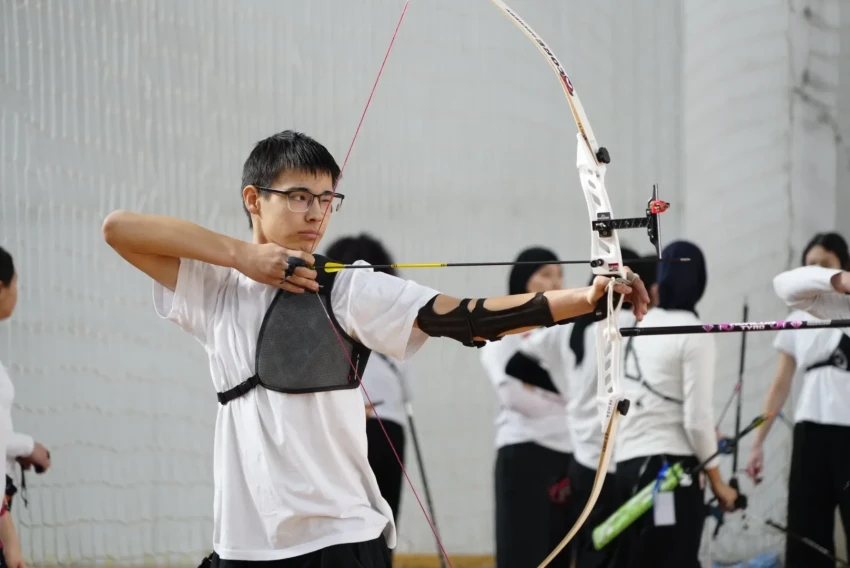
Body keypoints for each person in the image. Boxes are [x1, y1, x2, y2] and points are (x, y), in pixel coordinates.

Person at [101, 129, 650, 568]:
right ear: (254, 198)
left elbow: (465, 319)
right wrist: (240, 257)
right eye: (298, 197)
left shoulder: (349, 286)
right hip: (243, 545)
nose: (317, 214)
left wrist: (587, 297)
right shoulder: (214, 288)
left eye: (327, 198)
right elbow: (119, 228)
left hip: (340, 541)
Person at [609, 241, 739, 568]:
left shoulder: (639, 323)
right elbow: (696, 420)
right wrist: (719, 484)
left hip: (626, 467)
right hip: (668, 473)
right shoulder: (695, 333)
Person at [746, 232, 850, 568]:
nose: (816, 271)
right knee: (807, 530)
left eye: (825, 265)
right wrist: (758, 442)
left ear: (842, 265)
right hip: (811, 431)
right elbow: (779, 385)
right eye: (811, 265)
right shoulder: (798, 317)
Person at [478, 246, 575, 568]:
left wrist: (556, 398)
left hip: (568, 456)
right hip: (524, 454)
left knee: (559, 553)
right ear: (523, 281)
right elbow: (514, 396)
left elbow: (579, 390)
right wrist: (566, 402)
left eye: (560, 275)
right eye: (546, 274)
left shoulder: (564, 334)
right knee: (522, 553)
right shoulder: (503, 331)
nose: (555, 283)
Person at [323, 234, 413, 566]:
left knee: (337, 528)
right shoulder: (393, 313)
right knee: (381, 526)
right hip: (386, 428)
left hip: (343, 429)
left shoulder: (323, 308)